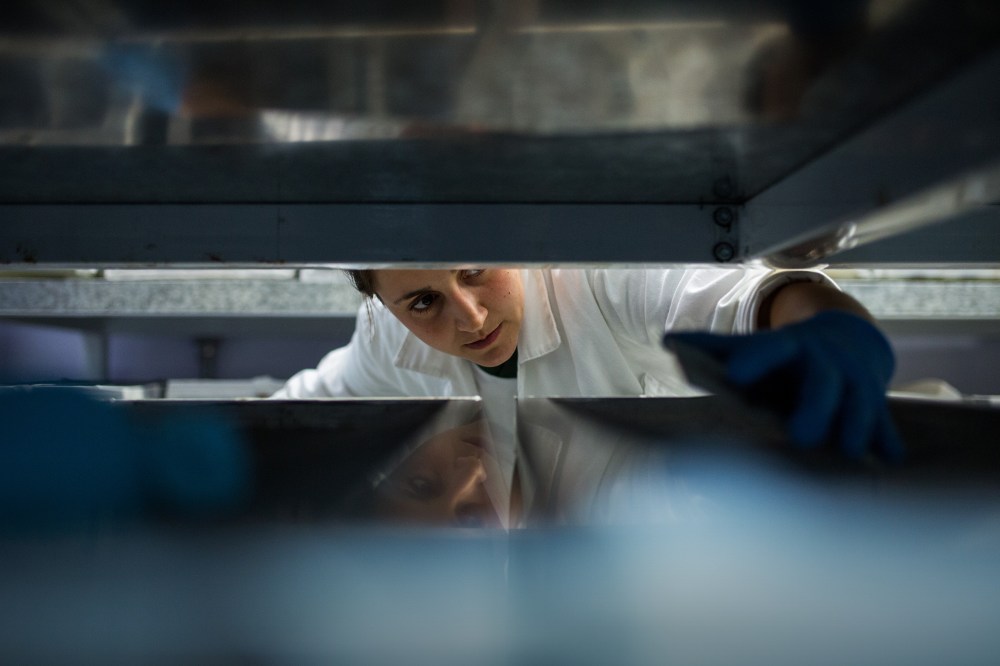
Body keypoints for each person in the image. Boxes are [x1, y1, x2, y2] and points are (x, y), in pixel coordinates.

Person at [275, 267, 902, 462]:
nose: (467, 317)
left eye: (475, 272)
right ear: (388, 308)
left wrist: (830, 325)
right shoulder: (391, 338)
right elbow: (312, 408)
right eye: (424, 302)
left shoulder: (601, 280)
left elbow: (743, 298)